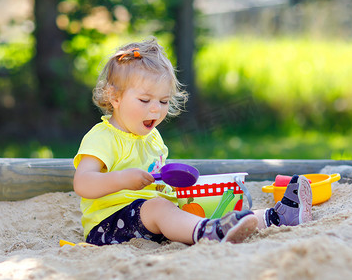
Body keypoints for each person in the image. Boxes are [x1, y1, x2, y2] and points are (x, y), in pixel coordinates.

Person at [73, 37, 312, 246]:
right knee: (159, 207)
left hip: (153, 218)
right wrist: (123, 179)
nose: (156, 110)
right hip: (109, 227)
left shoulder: (153, 137)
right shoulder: (102, 137)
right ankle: (208, 233)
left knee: (209, 205)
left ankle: (275, 218)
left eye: (164, 101)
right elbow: (82, 183)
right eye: (145, 100)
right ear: (114, 97)